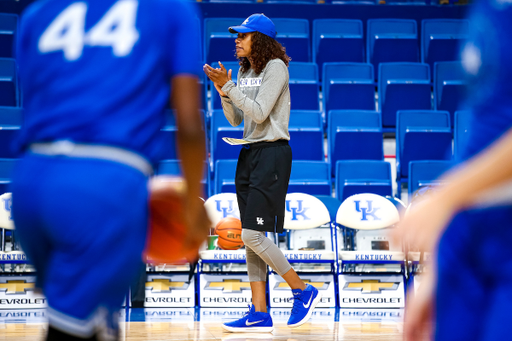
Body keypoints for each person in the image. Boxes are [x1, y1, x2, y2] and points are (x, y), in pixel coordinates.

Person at [12, 0, 209, 340]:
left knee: (75, 322)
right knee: (78, 329)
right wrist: (192, 202)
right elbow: (189, 123)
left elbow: (32, 103)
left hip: (31, 180)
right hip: (104, 183)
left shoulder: (35, 13)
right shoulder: (171, 10)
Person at [391, 1, 512, 340]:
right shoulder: (486, 10)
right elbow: (482, 128)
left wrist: (447, 197)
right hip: (470, 236)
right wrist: (437, 272)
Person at [203, 13, 321, 333]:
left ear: (261, 39)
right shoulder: (244, 71)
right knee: (253, 238)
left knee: (252, 235)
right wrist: (223, 90)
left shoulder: (276, 68)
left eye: (243, 35)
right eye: (236, 36)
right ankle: (259, 311)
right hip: (249, 151)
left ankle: (302, 289)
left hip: (272, 153)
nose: (236, 40)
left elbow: (258, 111)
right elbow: (236, 119)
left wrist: (229, 86)